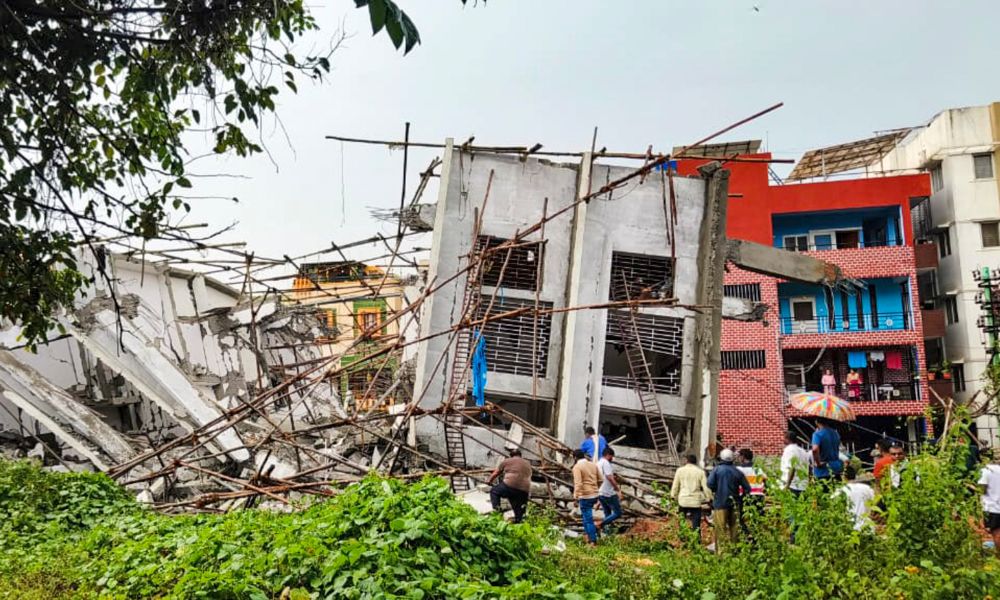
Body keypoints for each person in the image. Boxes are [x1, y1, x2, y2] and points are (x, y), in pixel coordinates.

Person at [707, 448, 751, 549]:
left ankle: (721, 554)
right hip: (735, 504)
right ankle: (734, 551)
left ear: (721, 458)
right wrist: (740, 498)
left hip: (720, 503)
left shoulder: (717, 470)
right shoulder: (737, 471)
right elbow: (747, 488)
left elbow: (709, 483)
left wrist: (716, 490)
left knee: (720, 529)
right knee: (735, 529)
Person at [487, 448, 532, 524]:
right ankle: (519, 523)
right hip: (524, 490)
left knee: (494, 491)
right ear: (520, 456)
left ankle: (497, 513)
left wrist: (489, 480)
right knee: (519, 511)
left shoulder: (507, 461)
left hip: (510, 485)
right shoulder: (527, 463)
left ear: (511, 456)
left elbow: (496, 473)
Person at [671, 454, 712, 533]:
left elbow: (675, 485)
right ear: (695, 462)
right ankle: (696, 540)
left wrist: (673, 496)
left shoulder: (680, 470)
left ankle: (683, 537)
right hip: (695, 501)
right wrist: (710, 498)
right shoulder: (700, 472)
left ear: (687, 461)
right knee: (696, 524)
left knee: (682, 521)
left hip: (683, 500)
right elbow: (706, 487)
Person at [572, 448, 601, 544]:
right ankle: (588, 538)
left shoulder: (577, 467)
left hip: (585, 496)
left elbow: (578, 484)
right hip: (595, 494)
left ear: (575, 457)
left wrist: (575, 497)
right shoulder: (593, 465)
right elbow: (601, 479)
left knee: (588, 519)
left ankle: (593, 541)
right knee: (585, 518)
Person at [835, 465, 875, 532]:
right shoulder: (867, 488)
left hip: (850, 527)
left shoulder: (840, 491)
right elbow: (875, 503)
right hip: (868, 526)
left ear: (843, 477)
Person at [978, 452, 1000, 556]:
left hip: (991, 507)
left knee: (995, 533)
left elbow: (982, 489)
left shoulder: (986, 470)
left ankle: (997, 556)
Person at [597, 447, 623, 533]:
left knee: (607, 513)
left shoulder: (598, 463)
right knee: (618, 512)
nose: (612, 458)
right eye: (612, 456)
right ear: (608, 455)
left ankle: (607, 533)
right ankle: (600, 524)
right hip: (608, 492)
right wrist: (617, 490)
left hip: (601, 492)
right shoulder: (606, 463)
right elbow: (609, 478)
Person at [811, 419, 844, 483]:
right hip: (836, 468)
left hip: (823, 470)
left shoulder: (817, 434)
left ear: (816, 422)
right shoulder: (835, 433)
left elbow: (815, 449)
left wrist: (818, 463)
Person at [737, 448, 766, 519]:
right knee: (758, 517)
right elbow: (765, 478)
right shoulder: (758, 469)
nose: (738, 458)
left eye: (739, 456)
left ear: (743, 457)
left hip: (745, 496)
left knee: (743, 517)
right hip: (758, 495)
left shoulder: (740, 469)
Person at [780, 431, 810, 495]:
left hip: (792, 485)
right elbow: (808, 467)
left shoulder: (789, 450)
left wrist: (787, 486)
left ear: (788, 439)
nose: (783, 439)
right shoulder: (803, 451)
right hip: (803, 485)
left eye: (784, 438)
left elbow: (791, 468)